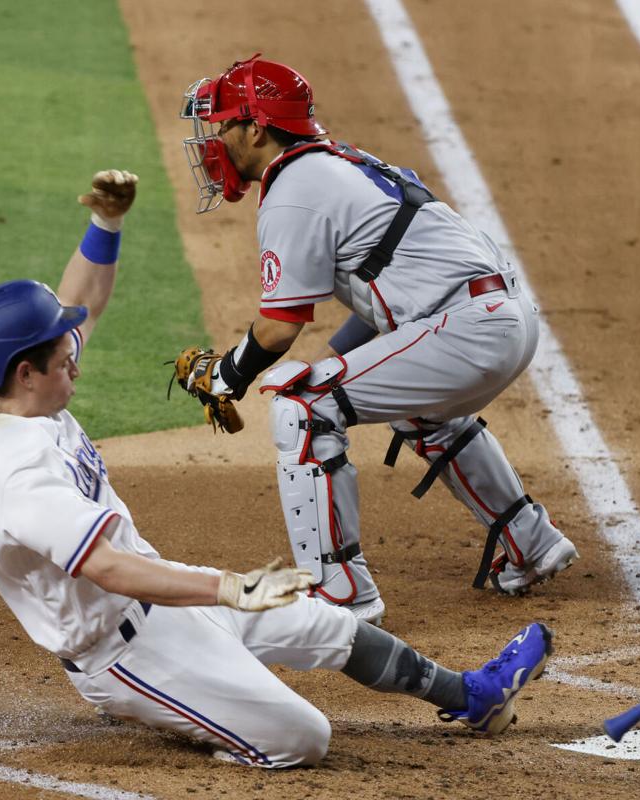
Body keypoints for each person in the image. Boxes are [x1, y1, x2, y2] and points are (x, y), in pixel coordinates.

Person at [0, 168, 555, 768]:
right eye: (63, 359)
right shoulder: (14, 474)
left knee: (325, 625)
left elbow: (80, 307)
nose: (76, 363)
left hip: (165, 594)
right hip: (123, 653)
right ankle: (180, 712)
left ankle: (472, 696)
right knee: (301, 738)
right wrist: (229, 588)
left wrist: (106, 221)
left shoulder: (4, 387)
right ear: (26, 373)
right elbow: (111, 570)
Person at [176, 55, 578, 625]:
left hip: (468, 329)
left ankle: (340, 592)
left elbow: (278, 327)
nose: (214, 141)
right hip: (501, 317)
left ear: (256, 127)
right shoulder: (341, 164)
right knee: (413, 409)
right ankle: (530, 541)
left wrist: (225, 376)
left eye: (222, 126)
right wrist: (340, 365)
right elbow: (379, 301)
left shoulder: (294, 188)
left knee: (304, 409)